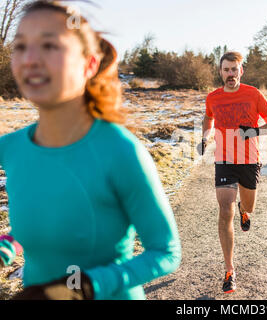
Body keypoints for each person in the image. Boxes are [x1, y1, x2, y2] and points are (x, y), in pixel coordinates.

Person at [0, 1, 181, 300]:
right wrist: (8, 245)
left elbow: (166, 252)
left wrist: (78, 289)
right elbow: (47, 219)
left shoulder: (120, 151)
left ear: (89, 65)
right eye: (20, 46)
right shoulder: (10, 148)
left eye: (49, 45)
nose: (30, 59)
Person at [198, 51, 267, 293]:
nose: (230, 74)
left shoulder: (253, 94)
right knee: (225, 211)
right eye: (226, 69)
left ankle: (245, 210)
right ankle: (229, 270)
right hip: (224, 160)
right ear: (220, 72)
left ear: (241, 71)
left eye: (234, 69)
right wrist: (204, 137)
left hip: (249, 160)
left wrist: (254, 132)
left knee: (249, 205)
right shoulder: (213, 97)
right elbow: (208, 119)